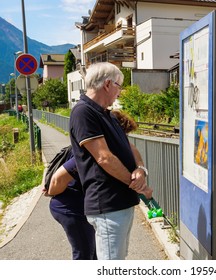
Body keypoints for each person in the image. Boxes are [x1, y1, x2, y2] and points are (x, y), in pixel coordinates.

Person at [69, 62, 150, 260]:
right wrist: (136, 184)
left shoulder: (106, 113)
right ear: (107, 84)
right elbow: (104, 158)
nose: (120, 92)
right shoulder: (83, 112)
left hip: (119, 203)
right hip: (107, 203)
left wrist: (140, 169)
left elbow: (129, 147)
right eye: (119, 85)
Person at [45, 110, 151, 260]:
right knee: (84, 253)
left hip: (84, 204)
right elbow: (58, 179)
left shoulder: (113, 144)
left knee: (96, 252)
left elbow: (131, 149)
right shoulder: (92, 151)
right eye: (122, 135)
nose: (124, 140)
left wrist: (140, 168)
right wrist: (51, 191)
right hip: (70, 207)